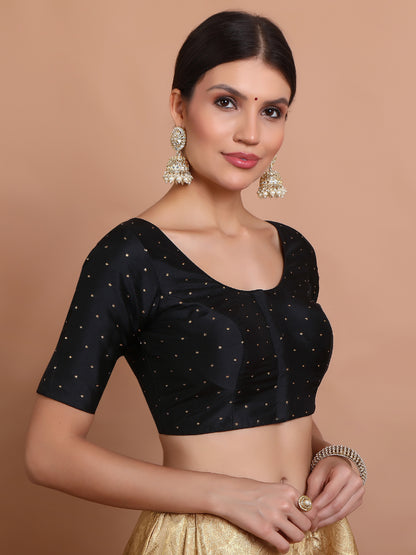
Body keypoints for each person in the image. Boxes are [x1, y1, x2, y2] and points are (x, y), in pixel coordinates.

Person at [25, 11, 366, 554]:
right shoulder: (132, 256)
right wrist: (225, 495)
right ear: (180, 107)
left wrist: (330, 457)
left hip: (312, 534)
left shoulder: (293, 250)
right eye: (226, 102)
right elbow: (48, 454)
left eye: (272, 111)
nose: (250, 133)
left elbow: (267, 401)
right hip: (204, 539)